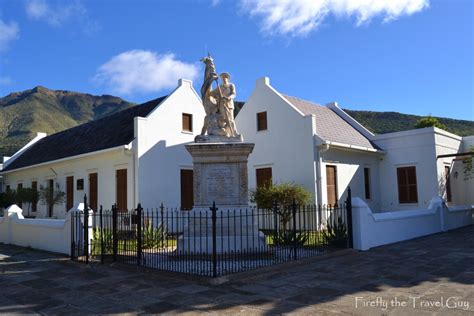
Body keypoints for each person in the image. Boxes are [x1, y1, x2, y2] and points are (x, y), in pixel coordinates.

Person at [213, 72, 239, 137]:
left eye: (225, 77)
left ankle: (235, 133)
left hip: (229, 104)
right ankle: (225, 133)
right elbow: (213, 93)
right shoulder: (220, 87)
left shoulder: (231, 85)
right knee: (223, 119)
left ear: (228, 79)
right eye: (223, 78)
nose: (224, 79)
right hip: (222, 105)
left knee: (231, 119)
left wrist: (228, 98)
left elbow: (234, 94)